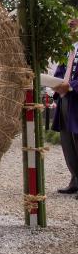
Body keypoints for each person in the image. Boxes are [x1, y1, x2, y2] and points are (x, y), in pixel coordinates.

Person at [51, 18, 78, 195]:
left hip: (76, 99)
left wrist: (71, 86)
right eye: (68, 26)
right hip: (64, 99)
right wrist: (56, 85)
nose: (70, 29)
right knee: (67, 143)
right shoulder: (68, 50)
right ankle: (75, 179)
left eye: (73, 25)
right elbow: (60, 73)